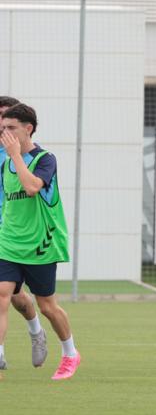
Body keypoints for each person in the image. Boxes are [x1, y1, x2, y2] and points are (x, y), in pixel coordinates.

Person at [0, 104, 78, 379]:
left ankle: (70, 352)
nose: (4, 134)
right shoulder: (6, 164)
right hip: (9, 243)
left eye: (10, 128)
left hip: (40, 245)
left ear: (28, 128)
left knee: (47, 306)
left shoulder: (45, 159)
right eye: (2, 129)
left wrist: (15, 157)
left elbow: (32, 188)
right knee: (1, 295)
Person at [0, 95, 47, 369]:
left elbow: (33, 188)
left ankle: (36, 331)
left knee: (17, 298)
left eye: (7, 120)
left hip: (14, 231)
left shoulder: (29, 155)